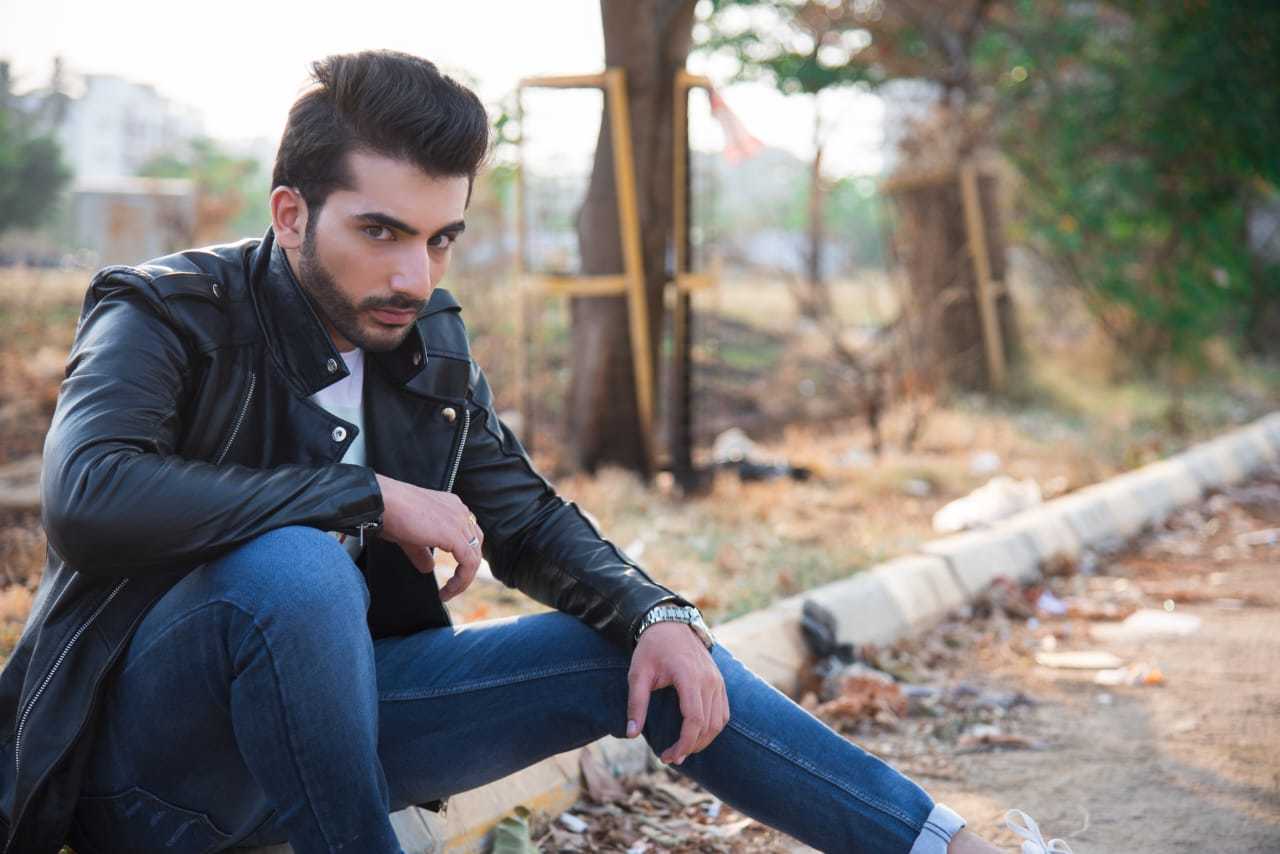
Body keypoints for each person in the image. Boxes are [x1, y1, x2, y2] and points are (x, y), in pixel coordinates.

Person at [0, 50, 1073, 854]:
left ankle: (936, 843)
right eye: (380, 231)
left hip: (333, 728)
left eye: (439, 238)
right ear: (291, 213)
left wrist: (656, 611)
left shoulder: (422, 338)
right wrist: (366, 494)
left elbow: (524, 517)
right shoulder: (166, 311)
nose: (414, 275)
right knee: (295, 562)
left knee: (632, 651)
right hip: (145, 771)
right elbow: (89, 498)